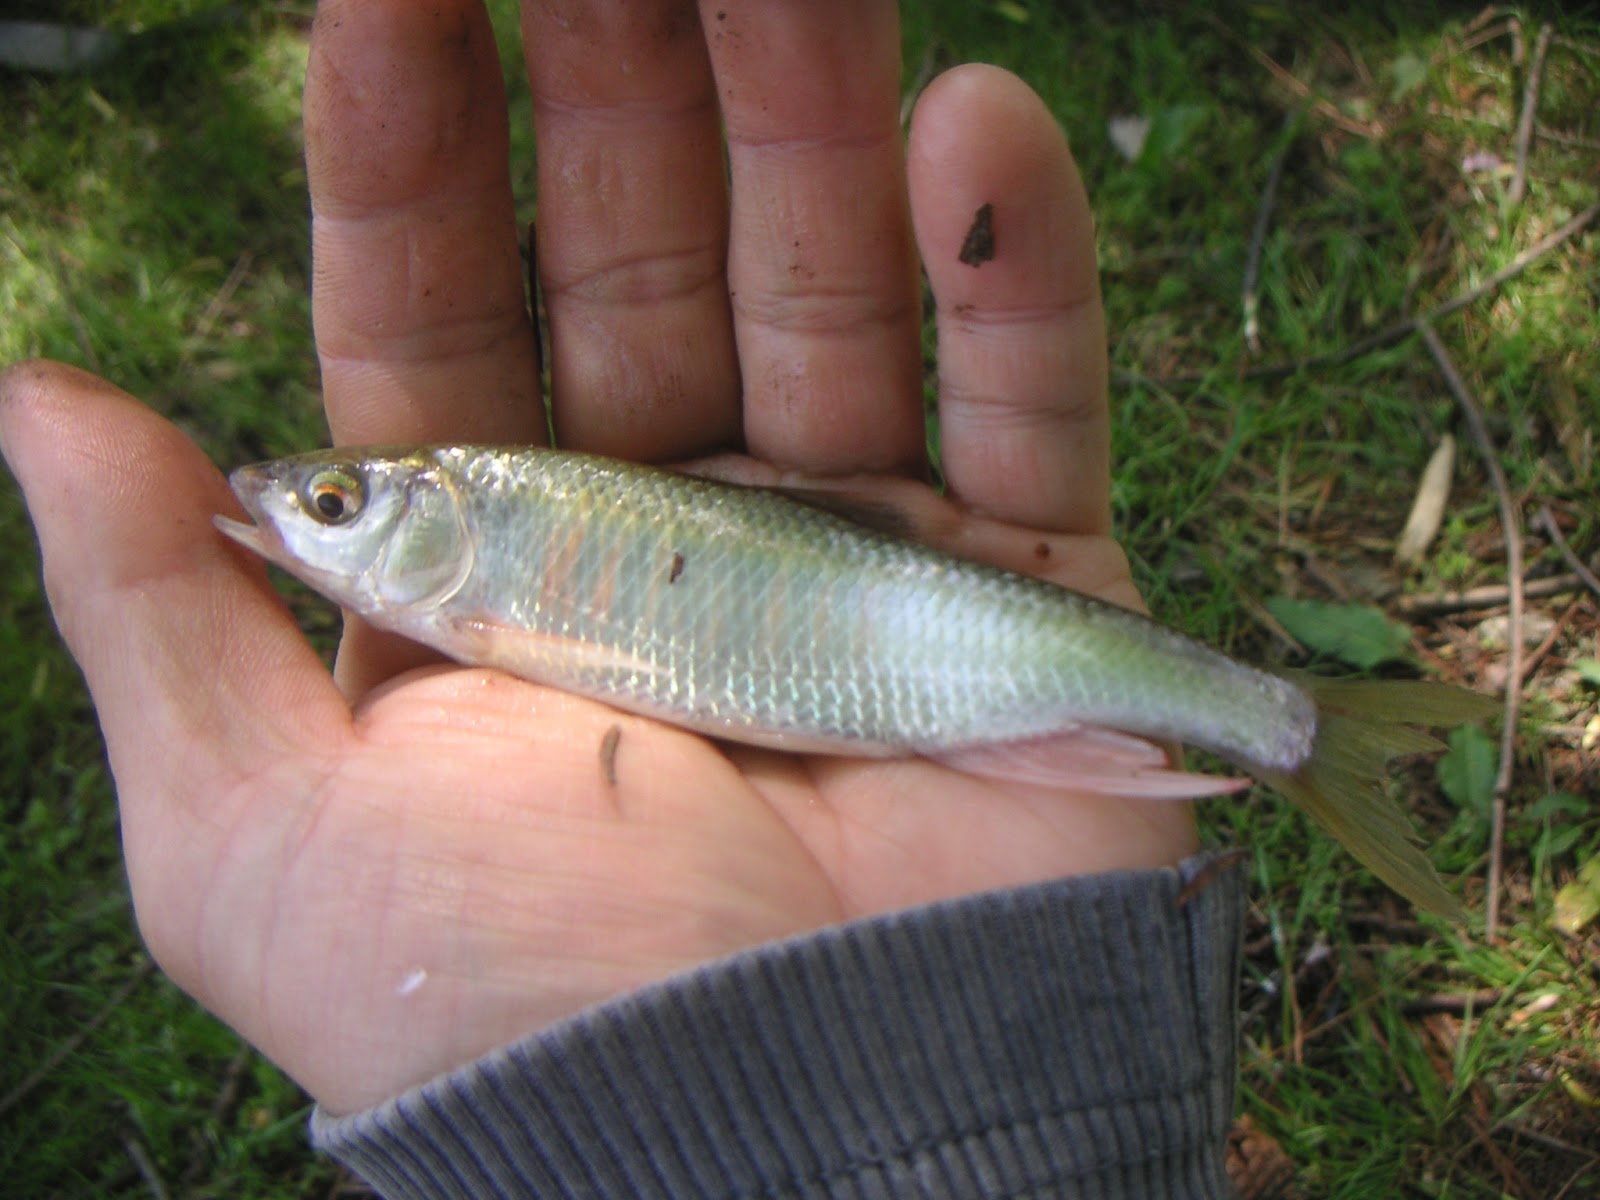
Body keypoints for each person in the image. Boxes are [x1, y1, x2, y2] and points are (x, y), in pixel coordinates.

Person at [0, 2, 1245, 1196]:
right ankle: (1268, 718)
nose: (306, 516)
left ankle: (1274, 722)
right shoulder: (474, 572)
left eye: (335, 506)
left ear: (442, 520)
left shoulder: (486, 552)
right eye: (337, 503)